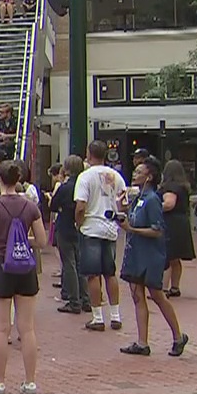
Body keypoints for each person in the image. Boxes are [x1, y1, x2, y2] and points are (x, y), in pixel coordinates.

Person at [0, 161, 46, 394]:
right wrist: (22, 242)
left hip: (1, 265)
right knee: (27, 328)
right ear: (18, 180)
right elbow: (43, 240)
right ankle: (30, 382)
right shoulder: (30, 207)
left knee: (1, 329)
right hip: (25, 267)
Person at [117, 159, 188, 357]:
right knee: (137, 295)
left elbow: (157, 230)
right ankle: (142, 342)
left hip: (150, 254)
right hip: (136, 252)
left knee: (157, 295)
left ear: (149, 176)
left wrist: (131, 229)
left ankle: (178, 336)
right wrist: (121, 210)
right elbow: (133, 221)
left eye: (139, 171)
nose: (134, 173)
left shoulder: (152, 200)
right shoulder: (139, 198)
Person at [74, 140, 127, 332]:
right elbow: (123, 204)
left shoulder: (85, 177)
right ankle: (115, 314)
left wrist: (79, 222)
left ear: (89, 154)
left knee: (93, 274)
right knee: (110, 272)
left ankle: (97, 317)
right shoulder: (117, 176)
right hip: (110, 226)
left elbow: (81, 205)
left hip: (91, 226)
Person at [51, 155, 91, 314]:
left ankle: (74, 300)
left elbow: (53, 205)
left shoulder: (65, 187)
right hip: (81, 227)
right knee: (80, 263)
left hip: (66, 226)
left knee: (69, 264)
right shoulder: (85, 185)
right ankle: (85, 299)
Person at [159, 159, 196, 298]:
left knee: (167, 256)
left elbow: (169, 204)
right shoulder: (184, 187)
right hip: (182, 221)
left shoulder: (170, 186)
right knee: (176, 258)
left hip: (170, 222)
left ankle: (163, 287)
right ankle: (175, 286)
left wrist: (155, 207)